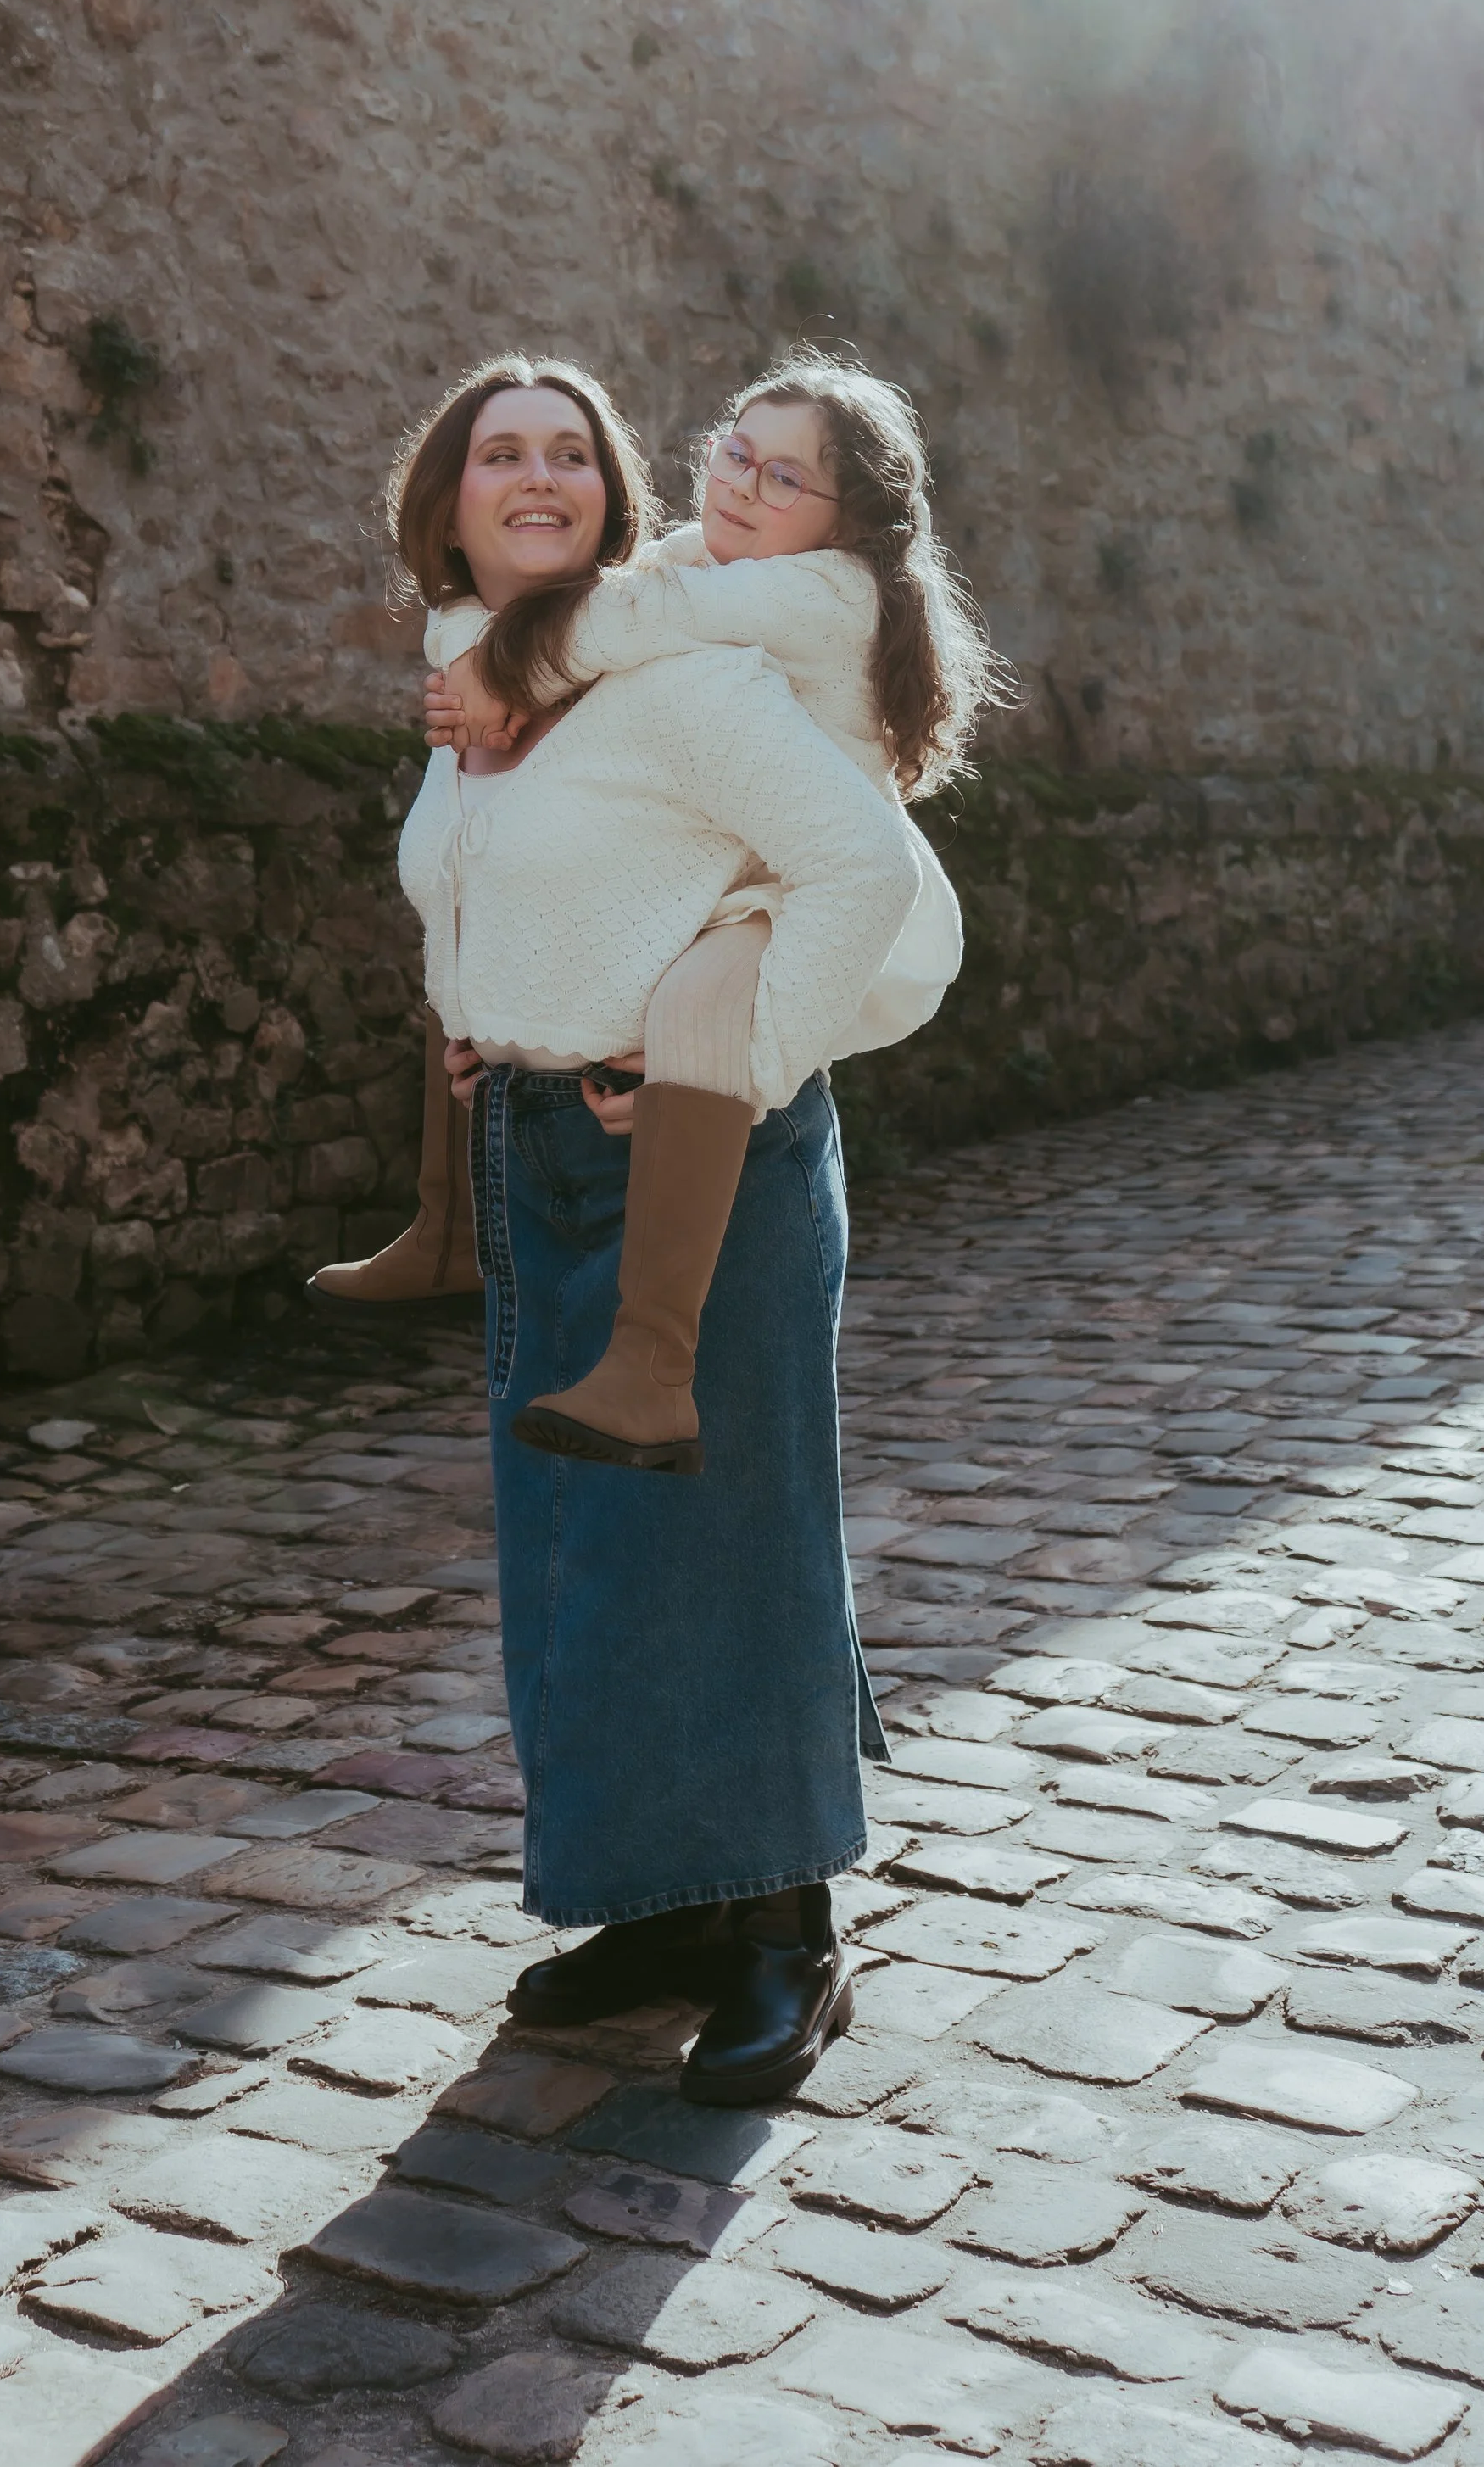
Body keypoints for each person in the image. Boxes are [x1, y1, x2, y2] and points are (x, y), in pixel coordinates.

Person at [373, 353, 922, 2101]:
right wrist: (488, 1008)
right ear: (443, 501)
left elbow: (860, 872)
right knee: (582, 1547)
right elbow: (529, 878)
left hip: (705, 1145)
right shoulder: (484, 688)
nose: (536, 477)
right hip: (537, 1143)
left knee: (728, 1521)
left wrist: (744, 1053)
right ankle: (666, 1900)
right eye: (496, 454)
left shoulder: (687, 670)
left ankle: (781, 1933)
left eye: (566, 454)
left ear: (610, 497)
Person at [418, 353, 1000, 1471]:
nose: (739, 483)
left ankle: (655, 1365)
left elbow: (624, 620)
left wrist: (509, 663)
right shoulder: (712, 559)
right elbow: (637, 605)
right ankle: (445, 1222)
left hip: (796, 903)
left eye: (784, 477)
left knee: (701, 1008)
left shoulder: (823, 590)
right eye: (736, 449)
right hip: (746, 885)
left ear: (848, 525)